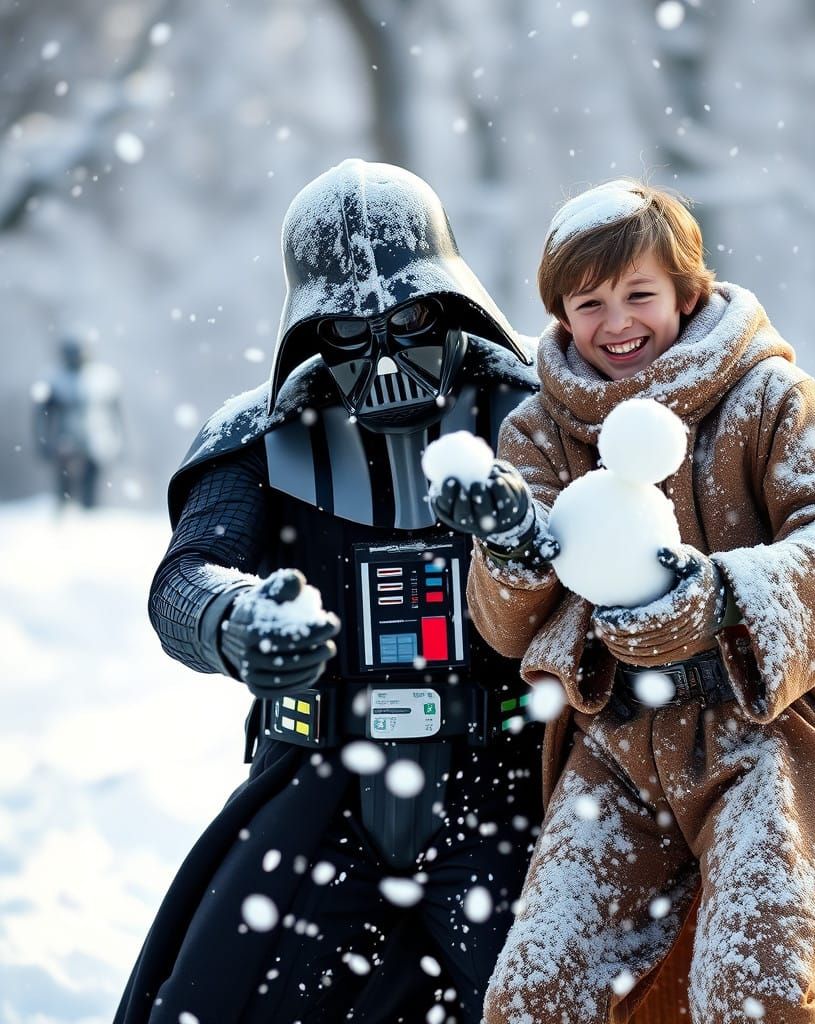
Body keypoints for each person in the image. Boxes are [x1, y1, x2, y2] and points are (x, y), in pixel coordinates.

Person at [432, 180, 815, 1023]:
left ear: (686, 292)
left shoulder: (769, 396)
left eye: (639, 294)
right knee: (536, 996)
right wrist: (514, 548)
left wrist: (721, 597)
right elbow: (505, 626)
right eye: (589, 303)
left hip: (765, 735)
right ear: (559, 314)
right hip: (615, 744)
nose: (617, 322)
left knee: (756, 994)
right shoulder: (539, 430)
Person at [116, 159, 545, 1024]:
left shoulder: (539, 413)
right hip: (319, 789)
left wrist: (528, 527)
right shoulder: (260, 434)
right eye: (349, 328)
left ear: (453, 302)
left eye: (410, 318)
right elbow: (185, 576)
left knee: (549, 999)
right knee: (216, 1005)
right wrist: (236, 620)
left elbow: (623, 559)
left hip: (500, 785)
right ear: (310, 330)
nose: (384, 353)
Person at [32, 336, 124, 509]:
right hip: (65, 442)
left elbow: (117, 414)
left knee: (91, 494)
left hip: (96, 440)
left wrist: (119, 441)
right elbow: (41, 416)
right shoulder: (54, 380)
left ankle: (89, 516)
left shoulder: (103, 379)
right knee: (65, 493)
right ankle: (66, 514)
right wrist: (43, 441)